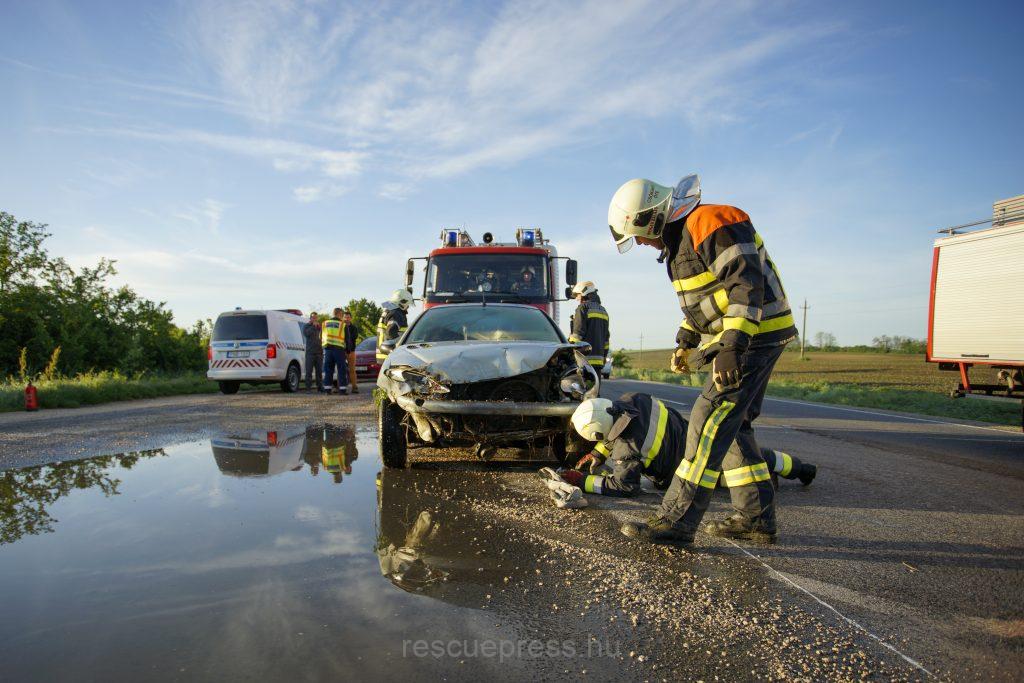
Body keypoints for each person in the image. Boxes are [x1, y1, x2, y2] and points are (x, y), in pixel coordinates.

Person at [607, 174, 797, 544]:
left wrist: (732, 347)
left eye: (638, 234)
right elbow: (708, 298)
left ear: (651, 218)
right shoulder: (681, 241)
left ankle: (676, 520)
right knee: (734, 426)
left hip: (754, 335)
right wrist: (687, 336)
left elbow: (745, 286)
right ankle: (756, 518)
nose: (641, 243)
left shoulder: (711, 222)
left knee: (708, 421)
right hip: (747, 336)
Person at [545, 395, 815, 511]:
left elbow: (624, 486)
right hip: (693, 436)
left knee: (730, 476)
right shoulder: (634, 399)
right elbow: (619, 429)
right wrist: (599, 454)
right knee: (745, 456)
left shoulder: (628, 448)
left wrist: (582, 481)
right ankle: (801, 469)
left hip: (686, 466)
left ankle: (766, 477)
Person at [568, 281, 610, 370]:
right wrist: (604, 357)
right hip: (598, 363)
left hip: (584, 362)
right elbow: (606, 340)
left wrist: (568, 349)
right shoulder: (603, 311)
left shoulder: (583, 308)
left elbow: (577, 336)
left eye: (578, 295)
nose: (577, 299)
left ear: (584, 292)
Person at [376, 289, 413, 361]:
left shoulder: (389, 311)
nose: (408, 307)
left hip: (384, 355)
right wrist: (400, 347)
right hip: (390, 356)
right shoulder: (396, 313)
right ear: (402, 302)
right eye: (407, 304)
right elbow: (390, 332)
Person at [321, 308, 349, 395]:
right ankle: (342, 390)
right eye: (342, 314)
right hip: (339, 350)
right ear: (339, 314)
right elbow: (347, 339)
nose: (342, 316)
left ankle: (327, 390)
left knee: (328, 370)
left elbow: (320, 337)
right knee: (341, 369)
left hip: (327, 350)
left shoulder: (325, 323)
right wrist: (348, 350)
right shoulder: (342, 324)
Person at [303, 312, 324, 392]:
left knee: (319, 371)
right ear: (310, 318)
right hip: (310, 353)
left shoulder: (320, 327)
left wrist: (318, 327)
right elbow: (306, 334)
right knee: (309, 371)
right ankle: (308, 388)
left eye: (316, 317)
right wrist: (313, 326)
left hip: (319, 352)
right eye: (313, 317)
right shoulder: (306, 326)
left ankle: (320, 387)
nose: (315, 319)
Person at [343, 310, 359, 394]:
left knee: (352, 369)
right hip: (342, 351)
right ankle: (339, 387)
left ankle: (354, 387)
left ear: (351, 318)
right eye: (345, 317)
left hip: (351, 351)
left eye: (348, 317)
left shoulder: (354, 328)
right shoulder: (340, 327)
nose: (347, 319)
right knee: (340, 369)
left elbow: (353, 337)